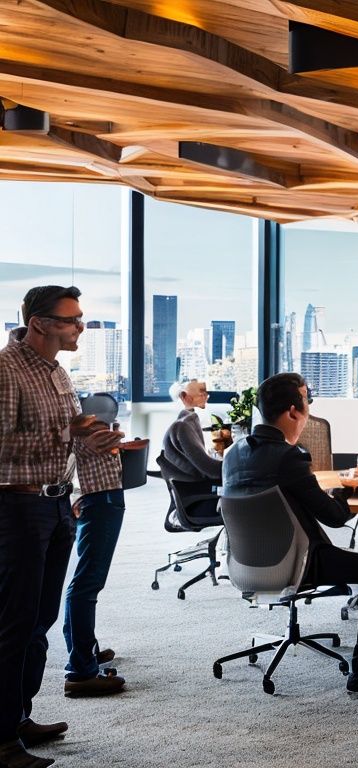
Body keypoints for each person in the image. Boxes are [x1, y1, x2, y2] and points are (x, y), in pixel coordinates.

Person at [221, 372, 358, 699]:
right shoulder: (290, 457)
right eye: (308, 400)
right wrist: (343, 489)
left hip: (245, 564)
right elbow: (334, 517)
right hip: (298, 562)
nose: (309, 407)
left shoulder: (233, 454)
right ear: (294, 411)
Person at [0, 286, 123, 768]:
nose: (81, 327)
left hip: (55, 506)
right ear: (39, 323)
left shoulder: (57, 373)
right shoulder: (7, 370)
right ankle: (2, 740)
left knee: (39, 622)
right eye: (72, 319)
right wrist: (66, 432)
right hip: (17, 508)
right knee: (13, 624)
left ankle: (19, 718)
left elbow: (66, 436)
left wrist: (96, 438)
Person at [62, 417, 128, 698]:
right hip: (100, 499)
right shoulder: (66, 430)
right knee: (87, 583)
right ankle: (81, 670)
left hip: (97, 497)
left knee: (85, 582)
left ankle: (85, 651)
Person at [161, 380, 228, 484]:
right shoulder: (183, 427)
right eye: (202, 392)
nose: (207, 395)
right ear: (184, 396)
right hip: (202, 487)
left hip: (197, 481)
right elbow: (211, 470)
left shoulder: (187, 422)